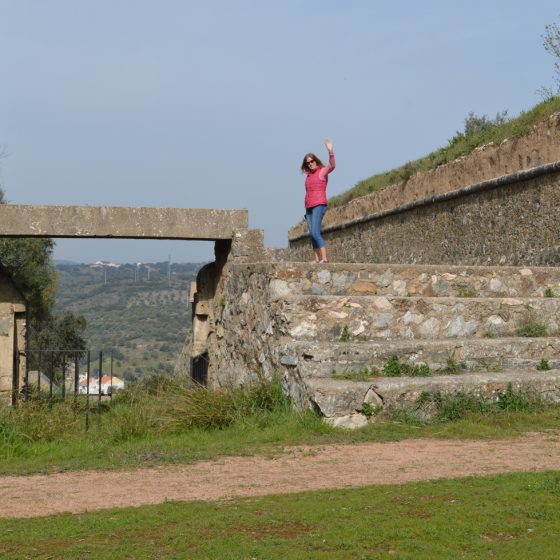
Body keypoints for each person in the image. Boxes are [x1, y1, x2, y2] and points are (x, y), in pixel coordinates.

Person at [301, 139, 335, 263]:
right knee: (312, 234)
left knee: (315, 232)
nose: (310, 164)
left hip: (319, 205)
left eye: (311, 161)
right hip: (309, 206)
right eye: (307, 163)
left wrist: (330, 151)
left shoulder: (322, 172)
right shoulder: (308, 176)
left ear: (316, 160)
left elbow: (332, 166)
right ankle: (316, 259)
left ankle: (324, 259)